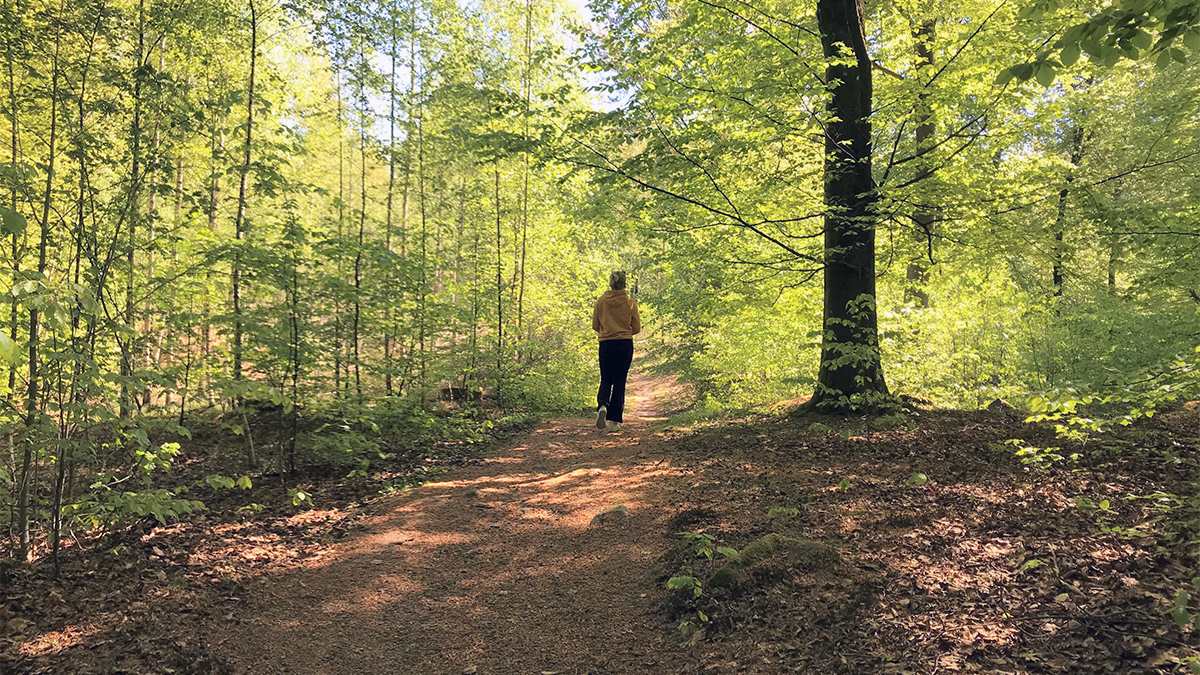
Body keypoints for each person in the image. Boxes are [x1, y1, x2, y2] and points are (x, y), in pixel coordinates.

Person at [592, 270, 641, 433]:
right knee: (620, 381)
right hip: (624, 344)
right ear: (625, 284)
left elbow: (595, 325)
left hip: (606, 344)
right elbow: (636, 328)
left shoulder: (601, 302)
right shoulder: (630, 303)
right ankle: (614, 422)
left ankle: (602, 406)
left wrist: (608, 331)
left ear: (610, 283)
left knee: (606, 378)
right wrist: (623, 332)